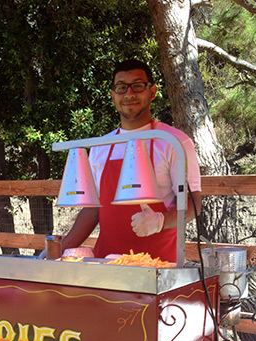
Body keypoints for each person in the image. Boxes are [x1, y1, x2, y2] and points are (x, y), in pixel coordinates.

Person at [61, 58, 202, 262]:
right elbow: (92, 209)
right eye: (121, 88)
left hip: (158, 266)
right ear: (112, 96)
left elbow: (193, 204)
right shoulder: (101, 146)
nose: (129, 94)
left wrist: (160, 221)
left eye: (137, 86)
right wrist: (58, 250)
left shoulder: (174, 142)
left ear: (152, 92)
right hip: (107, 264)